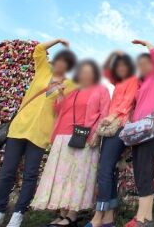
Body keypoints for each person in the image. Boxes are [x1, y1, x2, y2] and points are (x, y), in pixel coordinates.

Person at [0, 39, 77, 227]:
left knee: (30, 175)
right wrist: (58, 40)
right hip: (19, 129)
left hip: (41, 134)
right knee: (7, 172)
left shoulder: (71, 85)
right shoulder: (43, 70)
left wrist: (60, 94)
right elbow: (39, 49)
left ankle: (18, 213)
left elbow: (66, 110)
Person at [31, 60, 110, 226]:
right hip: (62, 136)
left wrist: (97, 133)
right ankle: (62, 213)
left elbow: (104, 113)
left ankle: (72, 215)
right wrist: (60, 95)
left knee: (77, 176)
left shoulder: (100, 90)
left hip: (85, 137)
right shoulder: (71, 90)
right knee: (61, 176)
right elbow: (60, 110)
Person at [87, 52, 139, 227]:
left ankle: (97, 216)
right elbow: (105, 71)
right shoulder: (118, 81)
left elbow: (128, 101)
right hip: (112, 128)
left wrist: (113, 115)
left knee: (104, 170)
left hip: (119, 126)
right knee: (111, 171)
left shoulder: (132, 79)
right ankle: (108, 218)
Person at [125, 40, 154, 227]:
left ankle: (140, 219)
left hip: (153, 129)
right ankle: (147, 218)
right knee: (141, 171)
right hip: (138, 133)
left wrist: (147, 44)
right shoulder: (140, 86)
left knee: (143, 171)